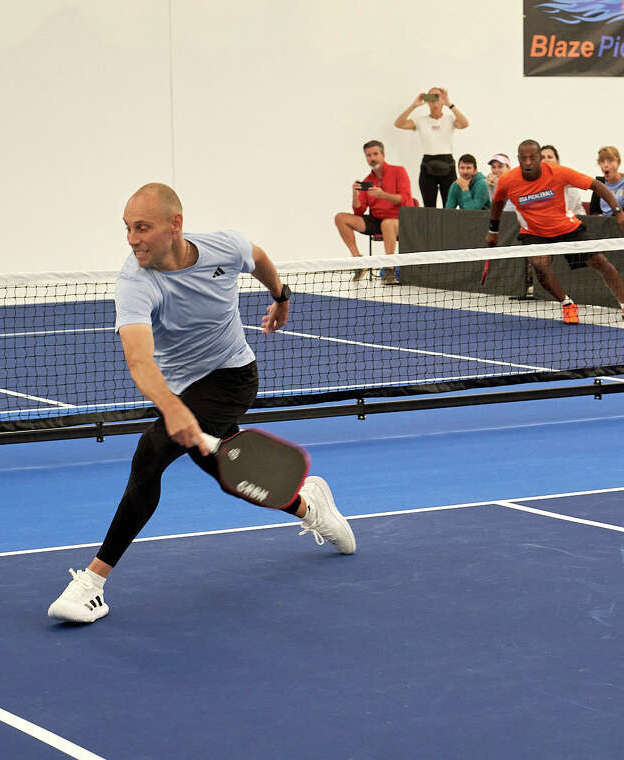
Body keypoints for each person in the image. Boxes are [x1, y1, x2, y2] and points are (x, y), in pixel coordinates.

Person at [48, 183, 355, 624]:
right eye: (127, 228)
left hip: (232, 376)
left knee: (151, 453)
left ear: (175, 225)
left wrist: (281, 297)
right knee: (234, 474)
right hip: (183, 389)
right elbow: (138, 359)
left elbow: (260, 260)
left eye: (142, 227)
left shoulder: (223, 247)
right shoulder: (135, 283)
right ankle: (310, 506)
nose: (132, 238)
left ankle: (92, 584)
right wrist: (174, 407)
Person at [485, 140, 624, 324]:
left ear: (540, 158)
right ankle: (567, 304)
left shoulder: (557, 172)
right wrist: (493, 230)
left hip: (567, 228)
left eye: (533, 157)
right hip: (534, 232)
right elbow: (497, 203)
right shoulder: (508, 180)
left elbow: (596, 185)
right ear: (518, 159)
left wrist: (618, 211)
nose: (528, 162)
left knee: (601, 262)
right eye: (524, 158)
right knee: (539, 265)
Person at [333, 140, 414, 283]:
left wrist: (383, 195)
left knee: (387, 224)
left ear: (383, 155)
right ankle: (359, 262)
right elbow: (359, 211)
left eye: (375, 154)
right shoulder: (368, 180)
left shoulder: (398, 171)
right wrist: (355, 194)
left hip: (400, 220)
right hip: (377, 220)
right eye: (368, 155)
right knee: (340, 218)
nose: (372, 158)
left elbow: (406, 200)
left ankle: (389, 269)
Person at [394, 86, 471, 207]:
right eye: (431, 96)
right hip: (427, 164)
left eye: (437, 96)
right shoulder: (420, 120)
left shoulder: (450, 119)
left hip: (448, 163)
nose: (434, 100)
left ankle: (448, 226)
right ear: (427, 100)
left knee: (450, 206)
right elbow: (399, 124)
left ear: (442, 99)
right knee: (429, 206)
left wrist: (449, 103)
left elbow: (465, 124)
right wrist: (414, 106)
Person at [588, 146, 624, 217]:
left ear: (618, 163)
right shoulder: (598, 183)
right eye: (602, 161)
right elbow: (593, 212)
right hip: (603, 224)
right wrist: (598, 216)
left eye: (610, 161)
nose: (606, 165)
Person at [543, 144, 584, 216]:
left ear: (557, 162)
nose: (546, 160)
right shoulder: (531, 186)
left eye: (550, 157)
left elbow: (581, 215)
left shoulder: (572, 190)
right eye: (542, 158)